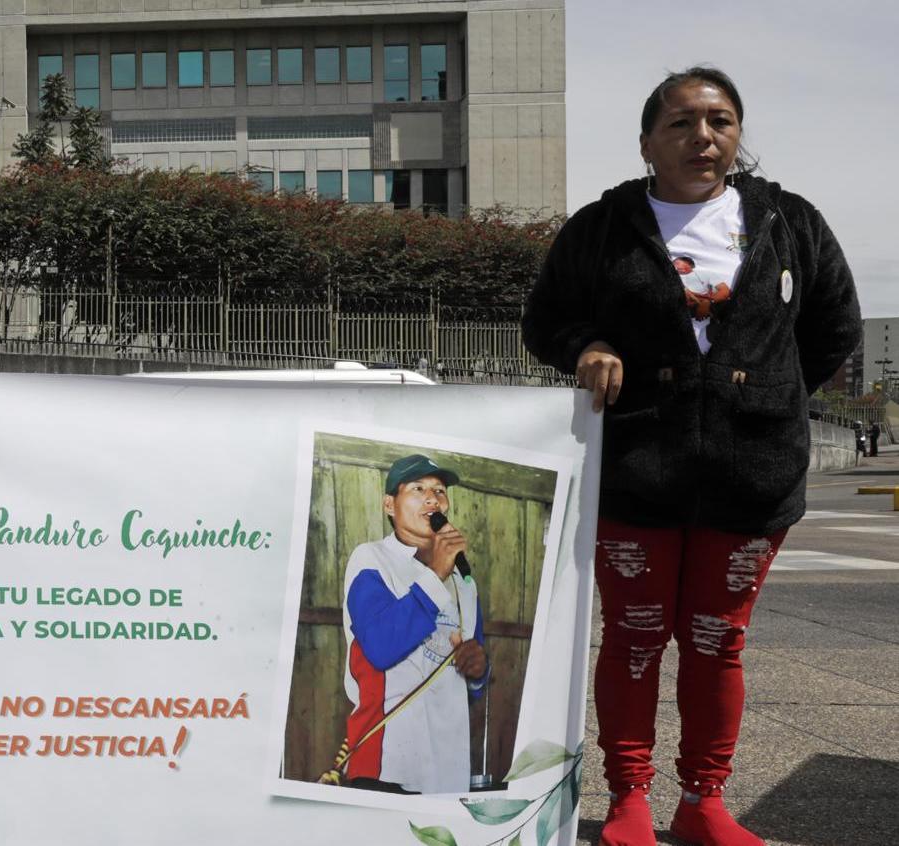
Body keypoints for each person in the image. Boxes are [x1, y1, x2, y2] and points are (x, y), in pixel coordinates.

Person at [523, 67, 859, 846]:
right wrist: (589, 343)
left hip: (751, 478)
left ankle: (704, 800)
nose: (700, 137)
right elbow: (545, 319)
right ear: (647, 142)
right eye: (679, 123)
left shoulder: (789, 221)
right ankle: (630, 799)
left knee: (716, 638)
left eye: (718, 121)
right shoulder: (601, 227)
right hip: (633, 471)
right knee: (636, 634)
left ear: (736, 135)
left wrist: (765, 393)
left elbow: (833, 326)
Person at [339, 454, 487, 794]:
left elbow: (470, 674)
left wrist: (479, 671)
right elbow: (379, 647)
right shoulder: (371, 559)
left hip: (448, 770)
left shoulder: (465, 582)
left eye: (439, 490)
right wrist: (435, 573)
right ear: (389, 504)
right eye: (418, 488)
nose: (433, 498)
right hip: (387, 762)